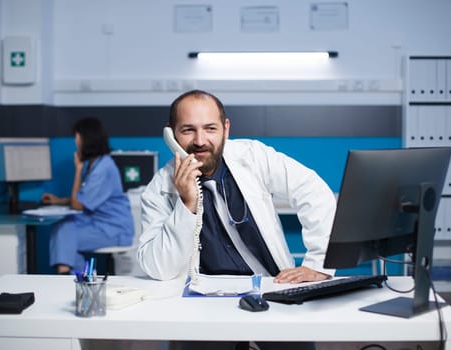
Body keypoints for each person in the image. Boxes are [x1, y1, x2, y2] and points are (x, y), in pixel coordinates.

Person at [137, 90, 337, 350]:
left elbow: (313, 191)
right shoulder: (158, 189)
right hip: (202, 305)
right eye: (188, 130)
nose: (200, 140)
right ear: (171, 135)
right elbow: (159, 268)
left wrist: (318, 264)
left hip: (271, 288)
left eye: (210, 128)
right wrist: (187, 204)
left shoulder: (253, 156)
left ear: (225, 128)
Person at [42, 117, 134, 274]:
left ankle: (67, 273)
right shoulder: (94, 164)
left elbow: (78, 204)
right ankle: (74, 274)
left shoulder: (103, 168)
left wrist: (77, 170)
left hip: (114, 229)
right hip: (98, 223)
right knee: (63, 228)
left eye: (77, 138)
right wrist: (58, 201)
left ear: (87, 140)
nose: (76, 143)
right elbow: (84, 198)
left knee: (64, 235)